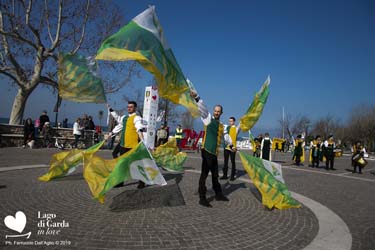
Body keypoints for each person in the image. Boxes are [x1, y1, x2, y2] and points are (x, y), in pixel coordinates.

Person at [190, 91, 229, 207]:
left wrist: (231, 146)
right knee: (204, 174)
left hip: (214, 153)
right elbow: (203, 108)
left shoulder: (222, 125)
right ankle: (202, 198)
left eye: (218, 111)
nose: (216, 113)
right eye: (215, 111)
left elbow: (225, 138)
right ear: (213, 111)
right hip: (206, 151)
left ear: (221, 113)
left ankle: (218, 194)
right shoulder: (208, 118)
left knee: (215, 175)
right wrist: (197, 98)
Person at [108, 101, 145, 189]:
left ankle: (142, 181)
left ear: (135, 108)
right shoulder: (124, 117)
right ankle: (120, 182)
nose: (129, 108)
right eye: (128, 107)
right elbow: (119, 123)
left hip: (133, 146)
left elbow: (139, 128)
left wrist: (142, 140)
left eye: (131, 107)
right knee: (122, 164)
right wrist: (112, 133)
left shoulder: (137, 118)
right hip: (123, 145)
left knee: (136, 164)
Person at [221, 117, 240, 181]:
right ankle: (225, 175)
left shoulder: (236, 129)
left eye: (231, 121)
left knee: (233, 162)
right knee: (225, 162)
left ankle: (232, 176)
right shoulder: (227, 128)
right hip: (226, 147)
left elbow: (241, 124)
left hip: (233, 148)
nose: (230, 122)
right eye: (229, 121)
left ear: (234, 121)